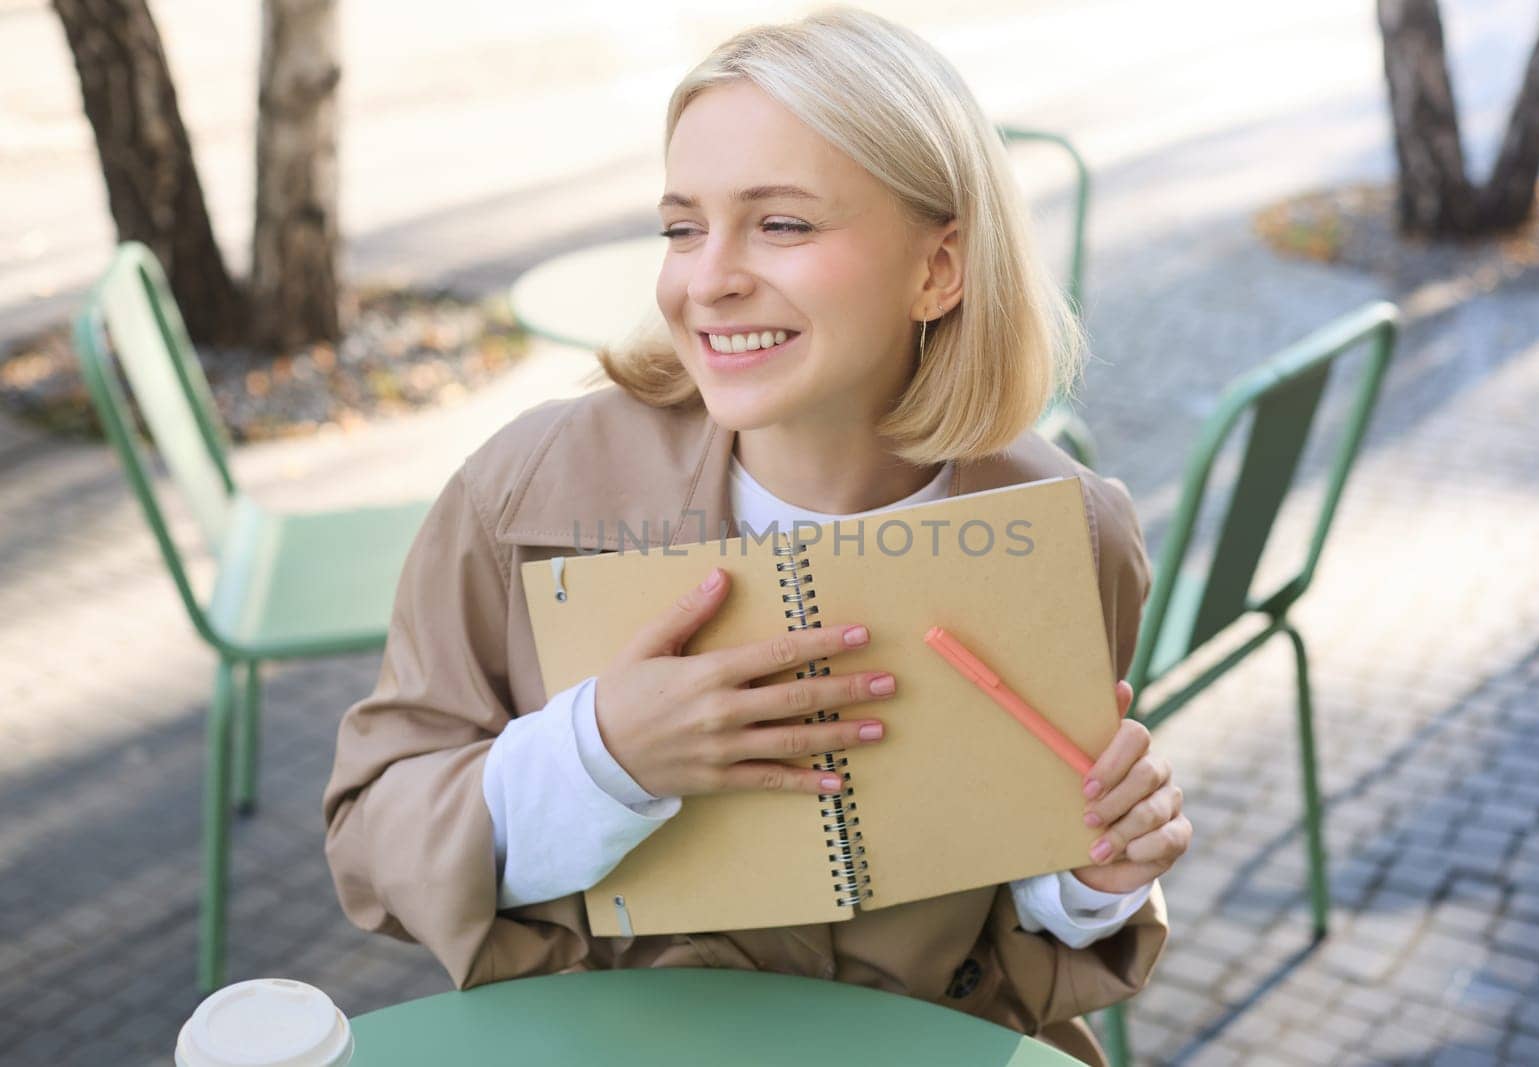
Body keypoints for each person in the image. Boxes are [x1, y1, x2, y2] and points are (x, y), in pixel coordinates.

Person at [322, 8, 1190, 1063]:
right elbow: (373, 838)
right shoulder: (525, 493)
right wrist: (596, 757)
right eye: (682, 226)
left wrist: (1092, 876)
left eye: (780, 223)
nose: (708, 277)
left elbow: (1033, 921)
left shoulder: (1065, 530)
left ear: (939, 268)